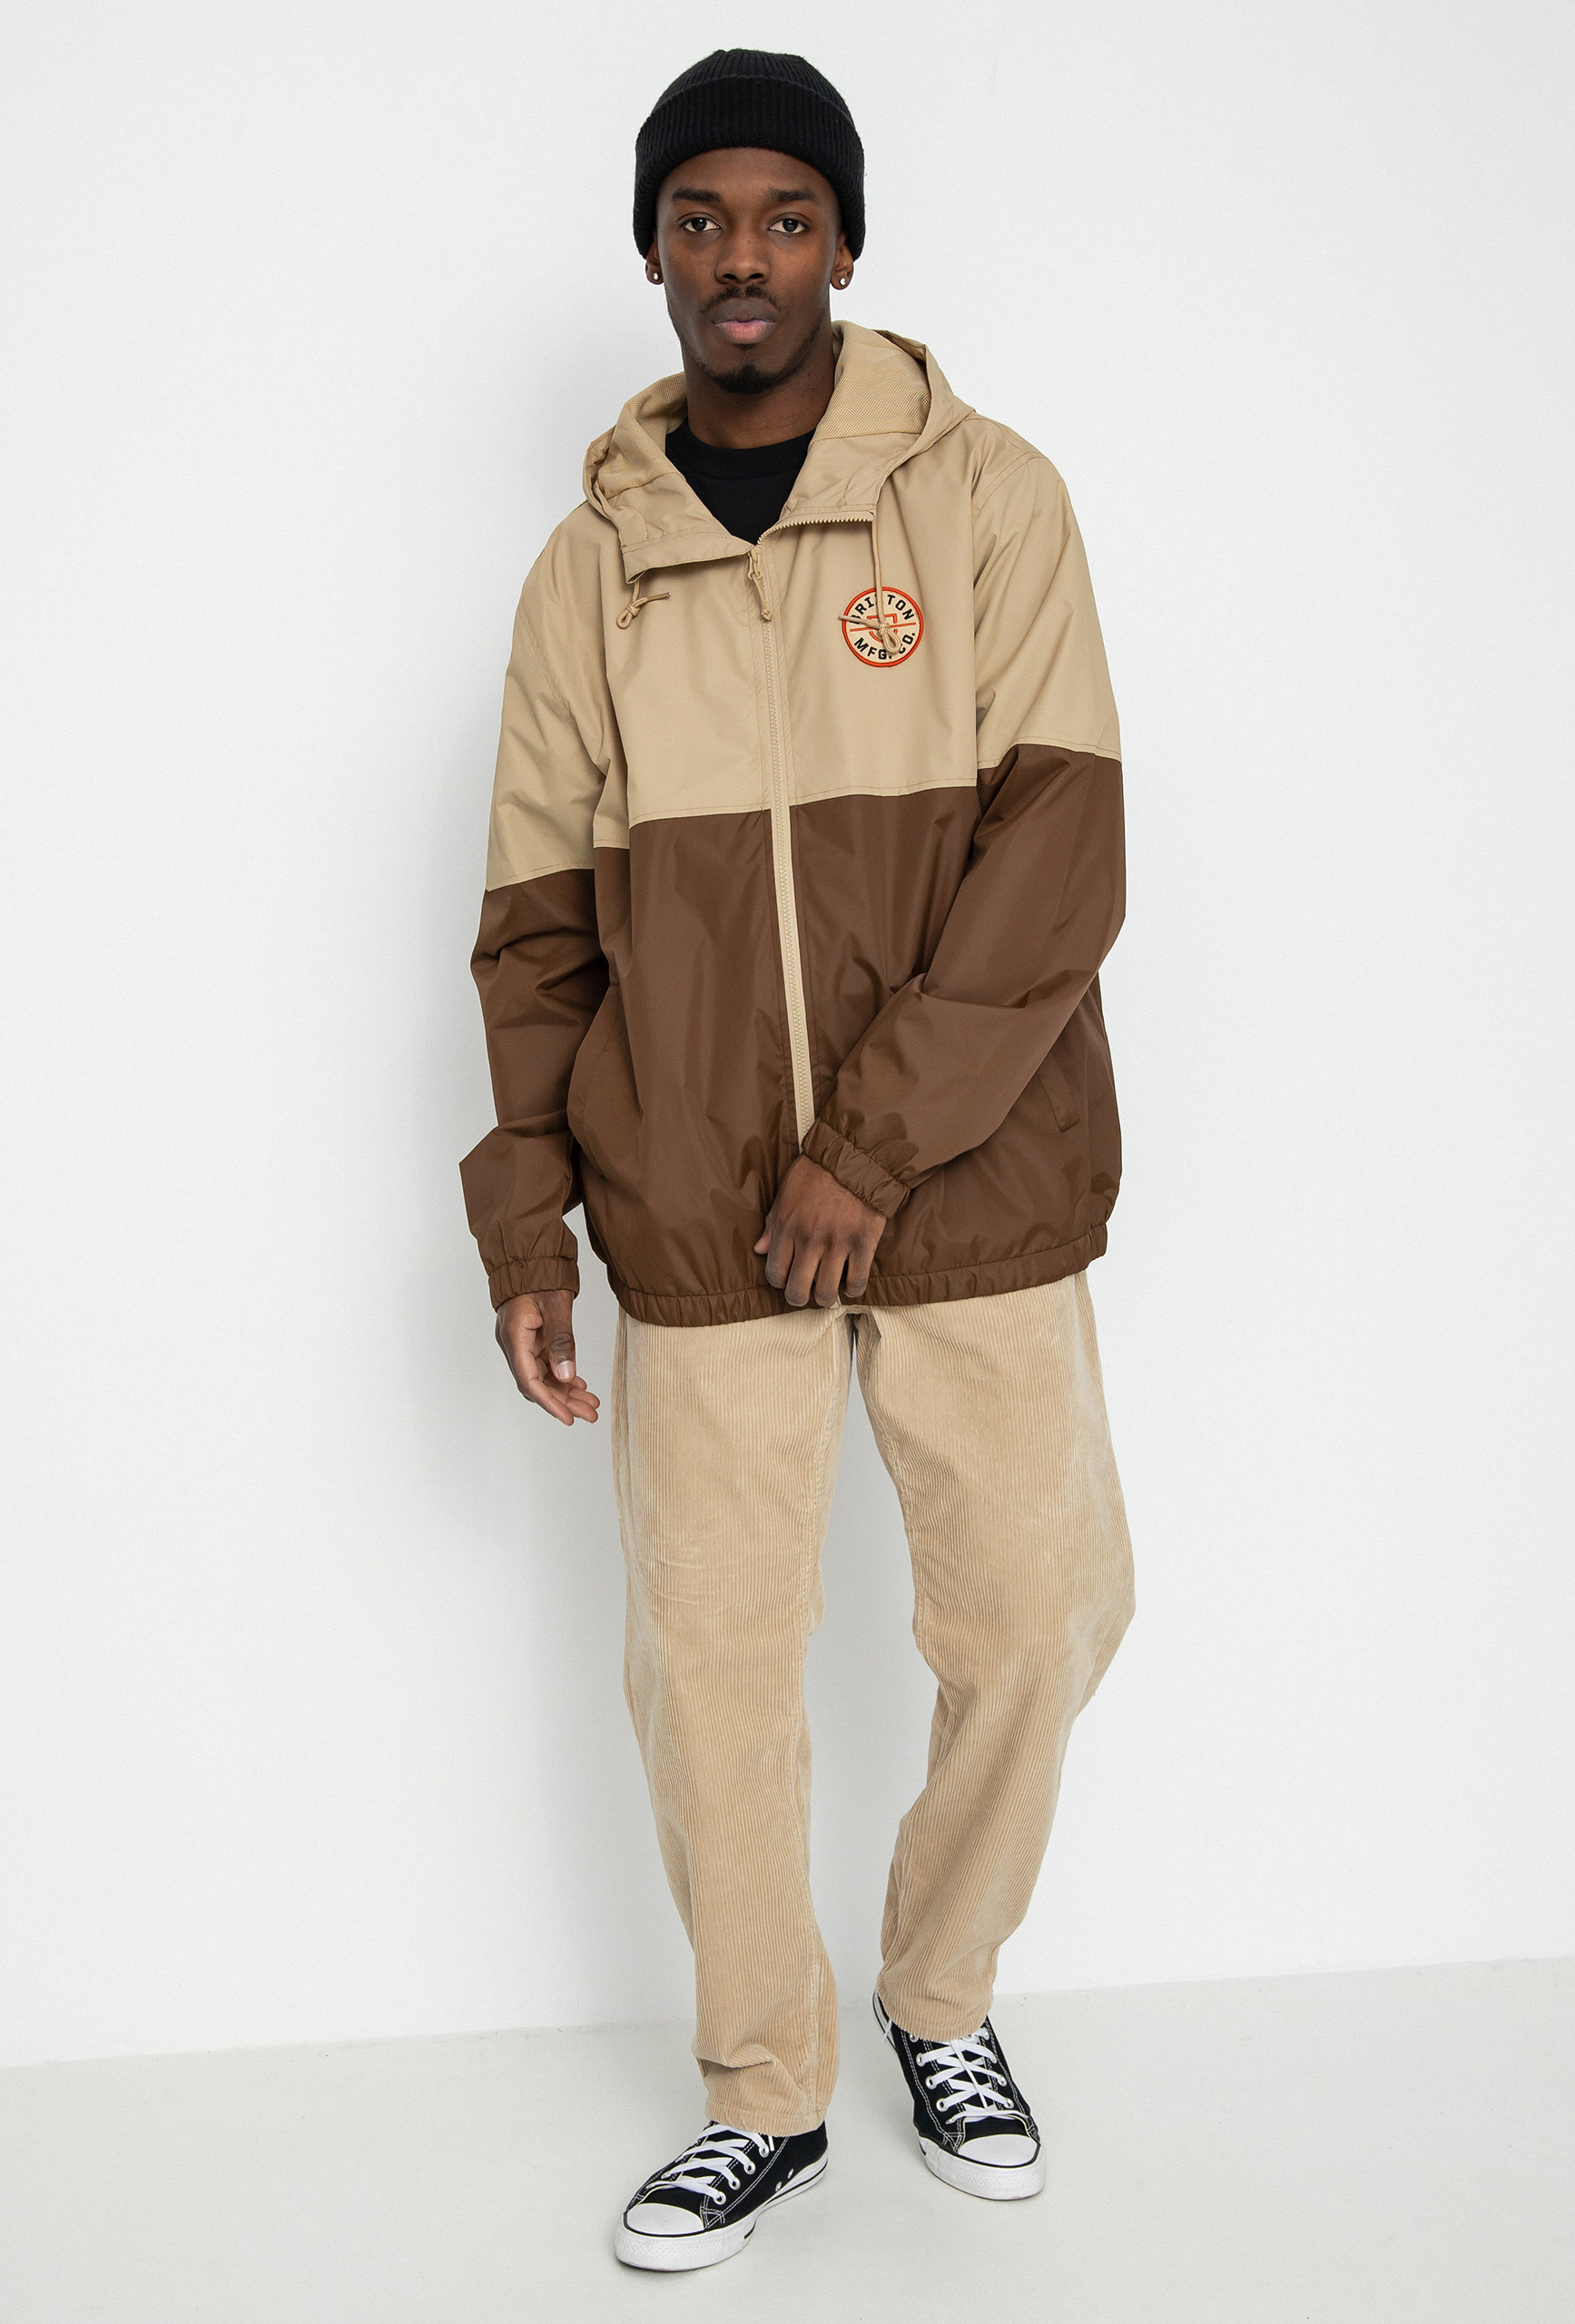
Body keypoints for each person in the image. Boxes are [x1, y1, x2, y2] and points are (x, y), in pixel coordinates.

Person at [460, 48, 1134, 2274]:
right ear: (652, 248)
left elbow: (1058, 859)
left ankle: (941, 1996)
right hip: (688, 1201)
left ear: (846, 241)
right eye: (700, 218)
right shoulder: (590, 574)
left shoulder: (989, 500)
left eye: (783, 216)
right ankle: (766, 2084)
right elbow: (535, 931)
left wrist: (869, 1144)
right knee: (713, 1656)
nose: (740, 257)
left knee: (1041, 1606)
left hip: (971, 1180)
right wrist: (526, 1218)